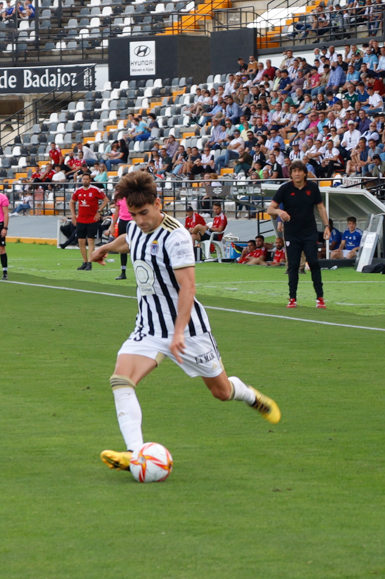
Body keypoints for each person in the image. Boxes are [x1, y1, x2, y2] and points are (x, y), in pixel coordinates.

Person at [88, 171, 281, 474]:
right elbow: (131, 239)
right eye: (135, 214)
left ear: (158, 204)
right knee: (120, 380)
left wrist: (178, 333)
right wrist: (107, 247)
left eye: (145, 213)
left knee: (220, 391)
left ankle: (247, 393)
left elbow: (188, 288)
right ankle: (135, 452)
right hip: (148, 326)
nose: (140, 220)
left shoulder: (176, 235)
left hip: (187, 329)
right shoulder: (134, 227)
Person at [267, 161, 331, 309]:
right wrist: (279, 212)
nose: (296, 174)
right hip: (292, 233)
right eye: (294, 171)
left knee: (314, 263)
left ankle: (320, 298)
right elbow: (270, 208)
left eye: (299, 171)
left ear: (304, 173)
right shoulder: (285, 189)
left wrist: (327, 226)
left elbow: (321, 208)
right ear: (291, 174)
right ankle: (292, 298)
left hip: (309, 232)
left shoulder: (313, 188)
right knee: (293, 266)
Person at [70, 173, 107, 271]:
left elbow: (106, 200)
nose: (85, 180)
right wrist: (73, 215)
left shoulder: (95, 190)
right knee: (81, 241)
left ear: (90, 180)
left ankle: (90, 262)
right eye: (83, 179)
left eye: (87, 179)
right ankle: (84, 261)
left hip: (92, 219)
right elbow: (72, 202)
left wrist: (99, 211)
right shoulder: (78, 191)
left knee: (90, 240)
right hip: (81, 219)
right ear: (81, 180)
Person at [110, 194, 132, 280]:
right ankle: (123, 272)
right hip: (122, 222)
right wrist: (112, 225)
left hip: (132, 222)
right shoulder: (119, 197)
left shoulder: (133, 195)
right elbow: (117, 211)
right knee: (122, 247)